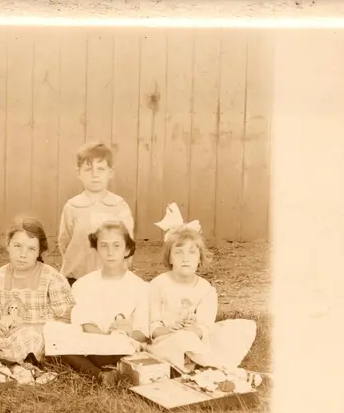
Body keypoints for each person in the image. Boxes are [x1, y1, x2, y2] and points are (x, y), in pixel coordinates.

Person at [146, 204, 257, 372]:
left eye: (192, 252)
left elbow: (205, 326)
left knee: (236, 329)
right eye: (178, 253)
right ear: (169, 258)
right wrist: (167, 329)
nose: (185, 258)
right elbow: (152, 327)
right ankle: (215, 366)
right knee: (180, 340)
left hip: (196, 339)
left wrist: (195, 330)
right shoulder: (157, 285)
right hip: (166, 340)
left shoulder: (205, 289)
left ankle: (199, 362)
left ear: (200, 259)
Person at [61, 220, 149, 385]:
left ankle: (110, 369)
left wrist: (128, 331)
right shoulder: (84, 284)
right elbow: (85, 324)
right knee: (58, 335)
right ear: (96, 250)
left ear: (127, 250)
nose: (110, 252)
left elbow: (142, 332)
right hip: (94, 345)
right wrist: (105, 339)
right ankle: (102, 375)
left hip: (124, 345)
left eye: (116, 246)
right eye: (104, 246)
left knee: (135, 346)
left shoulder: (140, 286)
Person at [0, 217, 76, 364]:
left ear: (39, 252)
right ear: (8, 245)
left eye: (31, 249)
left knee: (29, 337)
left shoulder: (52, 278)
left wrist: (29, 327)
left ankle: (0, 358)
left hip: (39, 337)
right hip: (4, 336)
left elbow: (67, 321)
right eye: (17, 246)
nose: (23, 254)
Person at [57, 141, 135, 286]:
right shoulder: (72, 207)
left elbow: (128, 244)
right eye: (88, 170)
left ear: (110, 173)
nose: (95, 175)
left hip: (111, 278)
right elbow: (65, 243)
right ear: (78, 173)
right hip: (77, 278)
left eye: (100, 169)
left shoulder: (119, 206)